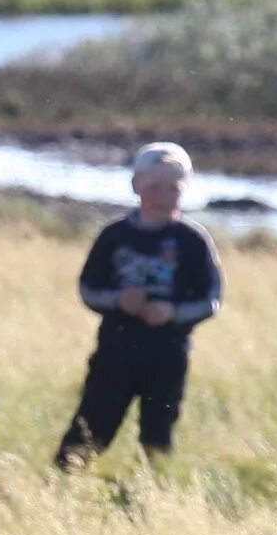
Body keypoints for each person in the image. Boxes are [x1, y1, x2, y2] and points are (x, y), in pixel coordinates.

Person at [55, 142, 223, 466]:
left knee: (158, 435)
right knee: (92, 426)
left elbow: (210, 299)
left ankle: (149, 497)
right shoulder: (114, 235)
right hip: (115, 351)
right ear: (137, 186)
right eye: (154, 185)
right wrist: (119, 302)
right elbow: (88, 288)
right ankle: (61, 483)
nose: (163, 194)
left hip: (168, 355)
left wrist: (172, 313)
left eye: (173, 186)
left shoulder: (193, 240)